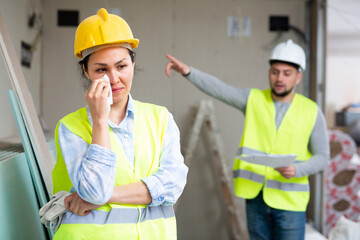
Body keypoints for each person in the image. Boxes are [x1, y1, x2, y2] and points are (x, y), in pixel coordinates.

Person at [165, 39, 329, 240]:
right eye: (275, 72)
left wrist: (298, 169)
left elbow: (322, 156)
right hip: (255, 198)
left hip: (290, 202)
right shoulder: (253, 99)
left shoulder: (311, 111)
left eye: (287, 74)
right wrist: (188, 72)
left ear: (298, 77)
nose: (279, 78)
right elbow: (220, 89)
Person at [51, 8, 188, 239]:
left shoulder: (161, 118)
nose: (114, 79)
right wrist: (100, 121)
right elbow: (94, 191)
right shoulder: (70, 127)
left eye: (121, 66)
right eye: (101, 69)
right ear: (86, 71)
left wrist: (107, 195)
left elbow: (173, 185)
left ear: (133, 63)